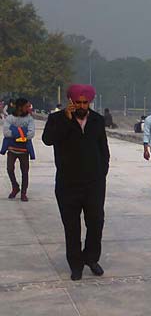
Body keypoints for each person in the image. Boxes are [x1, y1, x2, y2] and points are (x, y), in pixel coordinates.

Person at [42, 84, 110, 281]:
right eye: (78, 102)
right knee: (71, 226)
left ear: (90, 102)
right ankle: (76, 264)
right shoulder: (57, 119)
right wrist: (66, 119)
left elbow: (102, 148)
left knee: (96, 222)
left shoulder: (97, 120)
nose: (82, 106)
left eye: (85, 102)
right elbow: (48, 140)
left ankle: (91, 258)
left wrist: (102, 171)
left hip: (94, 183)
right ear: (70, 102)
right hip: (67, 183)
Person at [1, 98, 36, 201]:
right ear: (20, 107)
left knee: (25, 172)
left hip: (24, 150)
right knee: (10, 169)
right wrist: (21, 134)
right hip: (12, 149)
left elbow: (31, 134)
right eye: (26, 106)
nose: (28, 108)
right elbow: (6, 132)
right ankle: (15, 186)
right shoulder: (10, 118)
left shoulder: (29, 119)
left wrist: (15, 131)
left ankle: (24, 193)